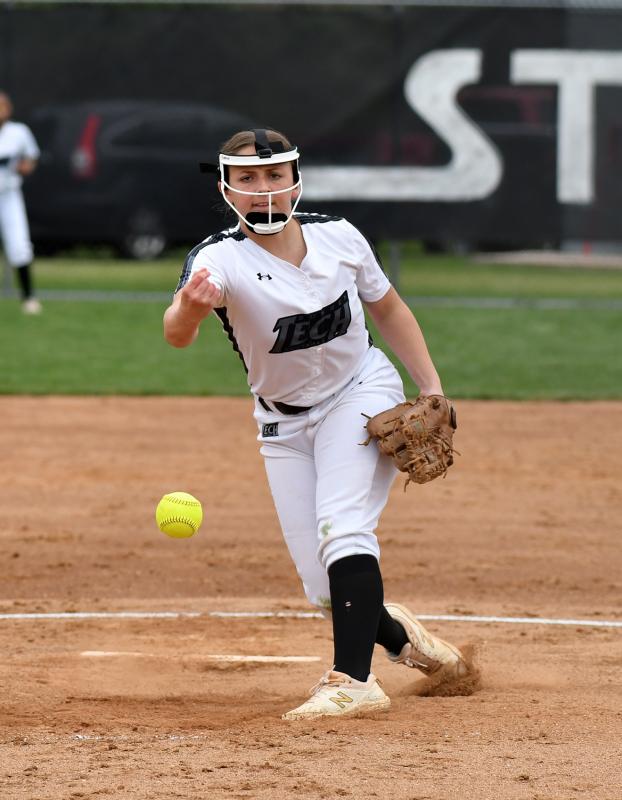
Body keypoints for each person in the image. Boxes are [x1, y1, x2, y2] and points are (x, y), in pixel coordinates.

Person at [164, 128, 470, 720]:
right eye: (248, 179)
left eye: (275, 176)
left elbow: (389, 308)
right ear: (227, 187)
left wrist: (431, 387)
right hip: (281, 424)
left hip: (360, 391)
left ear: (296, 179)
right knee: (325, 589)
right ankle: (409, 642)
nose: (264, 190)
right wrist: (190, 307)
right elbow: (177, 334)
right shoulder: (218, 259)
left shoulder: (339, 237)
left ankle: (352, 681)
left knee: (344, 529)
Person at [0, 91, 41, 314]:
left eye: (3, 106)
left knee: (19, 244)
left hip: (8, 195)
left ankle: (28, 297)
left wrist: (25, 166)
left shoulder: (18, 132)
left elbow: (31, 157)